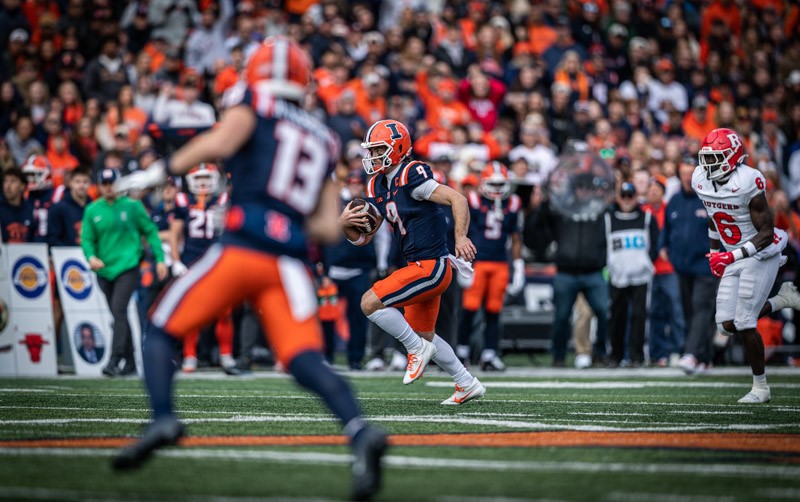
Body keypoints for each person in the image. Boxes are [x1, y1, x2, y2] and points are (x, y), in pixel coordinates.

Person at [110, 38, 387, 501]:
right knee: (303, 360)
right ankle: (360, 432)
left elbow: (220, 140)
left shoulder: (254, 102)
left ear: (258, 75)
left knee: (160, 328)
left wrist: (155, 174)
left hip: (242, 248)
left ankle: (162, 416)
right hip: (290, 263)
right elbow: (325, 226)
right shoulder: (324, 135)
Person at [341, 118, 486, 405]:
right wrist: (344, 223)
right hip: (418, 267)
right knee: (426, 336)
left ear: (397, 148)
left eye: (377, 149)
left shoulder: (411, 175)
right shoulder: (378, 185)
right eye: (370, 150)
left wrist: (460, 237)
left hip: (431, 266)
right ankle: (466, 382)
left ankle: (414, 349)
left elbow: (458, 199)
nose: (371, 156)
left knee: (369, 302)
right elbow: (364, 238)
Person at [694, 128, 795, 403]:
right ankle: (781, 300)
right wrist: (714, 252)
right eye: (707, 158)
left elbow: (765, 232)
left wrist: (731, 256)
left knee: (744, 321)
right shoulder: (701, 179)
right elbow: (714, 218)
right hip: (734, 252)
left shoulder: (749, 180)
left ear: (732, 157)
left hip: (761, 251)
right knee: (726, 324)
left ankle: (760, 387)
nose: (708, 165)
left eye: (716, 158)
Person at [81, 168, 168, 377]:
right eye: (105, 183)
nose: (109, 187)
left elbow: (151, 231)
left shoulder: (133, 207)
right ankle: (129, 361)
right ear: (100, 186)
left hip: (128, 266)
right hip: (104, 268)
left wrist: (160, 259)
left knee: (118, 310)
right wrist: (91, 257)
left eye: (112, 183)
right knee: (117, 313)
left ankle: (114, 359)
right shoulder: (92, 210)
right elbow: (87, 239)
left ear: (119, 184)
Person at [169, 163, 238, 375]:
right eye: (198, 179)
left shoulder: (223, 200)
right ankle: (190, 356)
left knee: (224, 312)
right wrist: (176, 260)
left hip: (217, 259)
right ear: (191, 182)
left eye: (206, 179)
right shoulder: (184, 201)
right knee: (192, 310)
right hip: (192, 260)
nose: (202, 183)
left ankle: (226, 356)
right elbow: (174, 234)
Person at [456, 162, 524, 371]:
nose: (496, 189)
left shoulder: (513, 203)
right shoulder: (474, 201)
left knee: (494, 311)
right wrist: (462, 261)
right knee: (469, 309)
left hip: (500, 263)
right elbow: (462, 232)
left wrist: (519, 266)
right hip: (477, 262)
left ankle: (489, 354)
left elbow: (515, 237)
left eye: (500, 184)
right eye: (492, 184)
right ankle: (461, 353)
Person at [662, 157, 720, 375]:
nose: (687, 177)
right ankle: (704, 357)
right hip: (681, 267)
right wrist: (663, 246)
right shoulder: (674, 201)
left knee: (700, 308)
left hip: (705, 266)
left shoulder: (708, 199)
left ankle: (691, 354)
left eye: (690, 172)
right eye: (683, 172)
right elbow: (667, 229)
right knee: (690, 312)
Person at [322, 170, 377, 370]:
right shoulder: (335, 205)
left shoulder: (370, 207)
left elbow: (378, 238)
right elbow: (324, 237)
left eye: (358, 182)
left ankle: (356, 358)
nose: (354, 185)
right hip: (335, 269)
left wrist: (375, 263)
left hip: (359, 268)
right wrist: (324, 268)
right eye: (351, 182)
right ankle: (325, 355)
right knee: (326, 315)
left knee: (358, 316)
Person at [605, 181, 659, 367]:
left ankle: (637, 356)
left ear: (636, 197)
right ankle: (616, 355)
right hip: (617, 276)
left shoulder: (647, 218)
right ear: (618, 197)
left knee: (639, 316)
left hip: (641, 276)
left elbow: (655, 245)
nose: (627, 200)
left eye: (631, 196)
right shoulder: (608, 218)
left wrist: (645, 263)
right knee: (616, 316)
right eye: (624, 196)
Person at [21, 154, 57, 243]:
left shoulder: (57, 195)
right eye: (28, 175)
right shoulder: (25, 196)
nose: (30, 179)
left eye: (34, 175)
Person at [0, 167, 33, 243]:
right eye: (5, 181)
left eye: (13, 181)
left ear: (22, 186)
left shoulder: (30, 209)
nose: (7, 186)